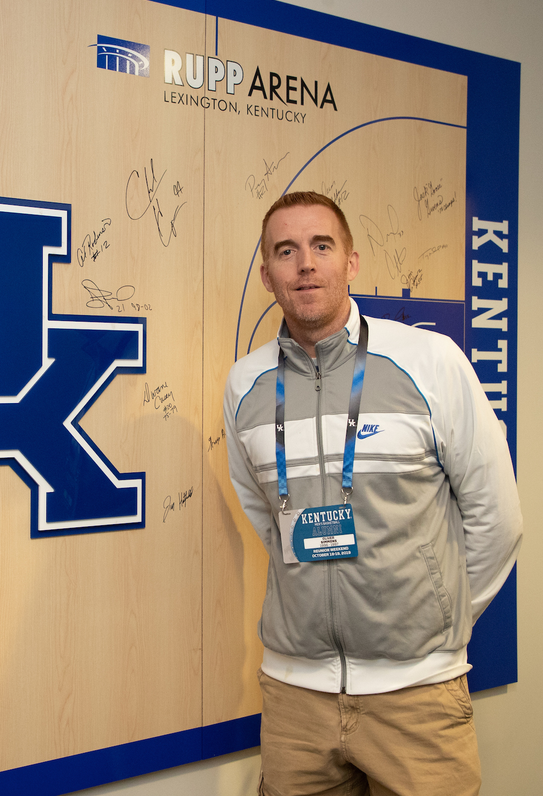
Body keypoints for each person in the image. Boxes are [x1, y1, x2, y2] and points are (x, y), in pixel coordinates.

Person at [223, 191, 522, 796]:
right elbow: (265, 513)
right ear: (267, 274)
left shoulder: (430, 361)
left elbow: (498, 519)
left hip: (417, 697)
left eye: (321, 246)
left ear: (351, 263)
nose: (305, 264)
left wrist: (435, 617)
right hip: (295, 698)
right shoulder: (244, 386)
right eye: (286, 250)